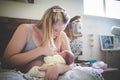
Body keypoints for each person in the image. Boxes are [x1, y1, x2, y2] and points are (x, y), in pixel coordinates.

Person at [1, 5, 75, 80]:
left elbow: (72, 63)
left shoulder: (62, 35)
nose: (59, 34)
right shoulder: (25, 29)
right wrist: (41, 50)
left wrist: (58, 68)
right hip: (23, 74)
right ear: (46, 24)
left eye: (61, 30)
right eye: (55, 30)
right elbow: (6, 62)